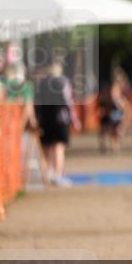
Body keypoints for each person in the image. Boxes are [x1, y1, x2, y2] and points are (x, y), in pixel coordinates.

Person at [34, 60, 81, 188]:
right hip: (60, 119)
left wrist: (38, 119)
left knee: (48, 147)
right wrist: (75, 120)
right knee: (58, 147)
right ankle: (58, 175)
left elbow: (37, 103)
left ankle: (48, 174)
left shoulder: (41, 84)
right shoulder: (63, 82)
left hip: (45, 120)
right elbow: (68, 102)